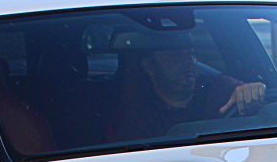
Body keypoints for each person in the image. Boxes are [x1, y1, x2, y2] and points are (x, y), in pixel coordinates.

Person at [106, 31, 266, 143]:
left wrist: (250, 91)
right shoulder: (138, 116)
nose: (187, 61)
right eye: (175, 56)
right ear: (150, 67)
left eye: (190, 54)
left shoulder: (217, 88)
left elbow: (243, 90)